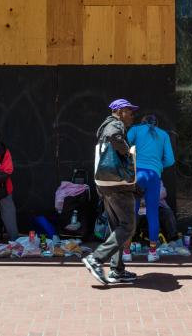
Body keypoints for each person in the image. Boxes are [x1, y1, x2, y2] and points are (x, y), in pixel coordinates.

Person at [82, 99, 139, 285]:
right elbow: (115, 137)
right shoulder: (115, 124)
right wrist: (126, 152)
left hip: (106, 185)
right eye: (130, 112)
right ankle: (96, 258)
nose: (132, 115)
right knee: (128, 226)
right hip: (118, 186)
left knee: (117, 227)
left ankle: (117, 270)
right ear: (120, 111)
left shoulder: (105, 126)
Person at [125, 114, 175, 262]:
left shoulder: (135, 130)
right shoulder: (164, 134)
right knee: (153, 214)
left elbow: (123, 147)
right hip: (154, 176)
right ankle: (152, 252)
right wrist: (157, 166)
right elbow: (170, 160)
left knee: (131, 214)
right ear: (156, 124)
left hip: (137, 174)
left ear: (143, 123)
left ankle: (127, 252)